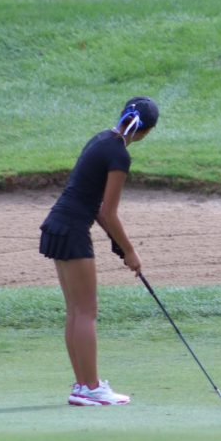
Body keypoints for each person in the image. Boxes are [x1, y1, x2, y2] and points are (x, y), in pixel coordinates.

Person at [39, 96, 159, 406]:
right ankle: (91, 387)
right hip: (73, 230)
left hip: (58, 225)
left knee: (76, 311)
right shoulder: (119, 155)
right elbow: (108, 212)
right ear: (145, 132)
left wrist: (116, 244)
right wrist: (130, 251)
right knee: (87, 311)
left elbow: (97, 208)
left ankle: (83, 387)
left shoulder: (101, 139)